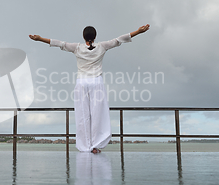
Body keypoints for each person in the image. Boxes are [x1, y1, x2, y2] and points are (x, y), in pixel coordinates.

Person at [29, 24, 150, 153]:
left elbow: (60, 43)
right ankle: (95, 145)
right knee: (98, 114)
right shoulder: (102, 46)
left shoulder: (77, 47)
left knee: (82, 115)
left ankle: (85, 146)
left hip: (81, 83)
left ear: (83, 37)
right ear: (95, 36)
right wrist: (138, 31)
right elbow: (118, 40)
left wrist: (40, 39)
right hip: (96, 82)